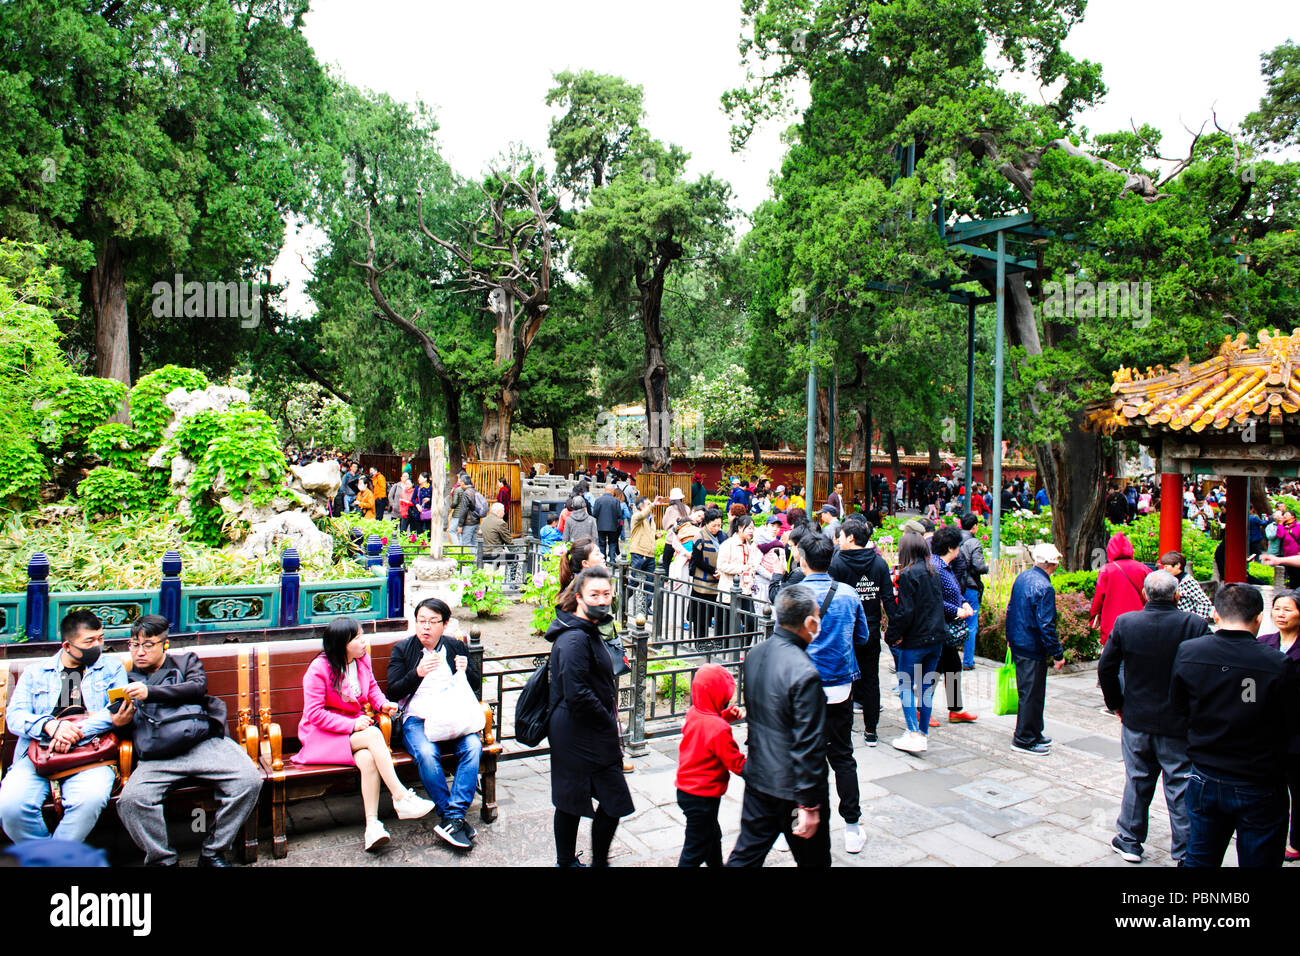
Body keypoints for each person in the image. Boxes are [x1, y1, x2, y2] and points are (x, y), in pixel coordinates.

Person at [115, 615, 263, 867]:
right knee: (131, 800)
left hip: (202, 742)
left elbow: (197, 688)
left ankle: (213, 851)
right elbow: (123, 727)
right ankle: (162, 859)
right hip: (157, 752)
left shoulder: (186, 662)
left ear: (165, 644)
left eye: (147, 645)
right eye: (133, 644)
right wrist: (120, 724)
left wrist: (151, 693)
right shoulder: (125, 679)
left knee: (249, 781)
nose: (139, 652)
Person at [1172, 584, 1296, 867]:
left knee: (1200, 857)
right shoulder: (1276, 663)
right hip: (1258, 778)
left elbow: (1178, 709)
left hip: (1205, 772)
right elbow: (1291, 722)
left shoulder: (1189, 651)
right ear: (1258, 618)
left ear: (1215, 613)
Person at [292, 617, 435, 851]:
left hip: (352, 731)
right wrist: (351, 725)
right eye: (357, 637)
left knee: (368, 759)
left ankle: (372, 827)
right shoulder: (319, 669)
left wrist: (383, 704)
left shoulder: (361, 659)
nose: (363, 641)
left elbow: (371, 689)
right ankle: (400, 796)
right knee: (373, 734)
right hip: (321, 736)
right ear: (342, 643)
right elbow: (315, 714)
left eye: (362, 635)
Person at [1097, 571, 1209, 865]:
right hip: (1178, 721)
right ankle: (1185, 851)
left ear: (1145, 595)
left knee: (1137, 780)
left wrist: (1116, 704)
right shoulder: (1194, 624)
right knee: (1181, 786)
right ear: (1177, 596)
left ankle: (1130, 841)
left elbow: (1106, 668)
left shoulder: (1126, 622)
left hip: (1136, 716)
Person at [0, 610, 132, 844]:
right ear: (67, 646)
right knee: (10, 807)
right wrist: (50, 725)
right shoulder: (35, 673)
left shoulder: (111, 668)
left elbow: (117, 711)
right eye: (89, 641)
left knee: (89, 800)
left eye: (101, 638)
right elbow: (15, 717)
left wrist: (72, 732)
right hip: (38, 754)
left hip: (92, 753)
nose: (98, 646)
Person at [725, 585, 829, 867]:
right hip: (794, 791)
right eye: (817, 617)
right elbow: (808, 743)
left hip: (760, 778)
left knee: (745, 856)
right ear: (809, 622)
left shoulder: (756, 653)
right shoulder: (805, 673)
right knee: (813, 859)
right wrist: (808, 803)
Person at [545, 567, 635, 866]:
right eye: (594, 594)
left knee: (586, 799)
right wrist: (607, 721)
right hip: (577, 730)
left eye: (606, 594)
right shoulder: (573, 639)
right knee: (602, 800)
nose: (602, 600)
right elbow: (577, 693)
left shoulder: (588, 629)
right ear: (580, 597)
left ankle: (578, 861)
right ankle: (573, 861)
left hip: (586, 726)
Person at [386, 598, 482, 850]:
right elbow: (393, 692)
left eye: (432, 622)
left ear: (445, 624)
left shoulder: (454, 647)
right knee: (427, 754)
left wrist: (466, 669)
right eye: (421, 621)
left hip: (452, 717)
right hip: (418, 719)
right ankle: (452, 817)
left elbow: (474, 685)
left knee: (473, 746)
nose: (425, 628)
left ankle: (454, 816)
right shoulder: (403, 650)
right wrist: (416, 673)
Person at [792, 532, 867, 852]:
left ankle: (795, 821)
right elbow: (862, 636)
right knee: (843, 755)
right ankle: (852, 828)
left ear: (803, 559)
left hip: (803, 686)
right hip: (839, 684)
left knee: (798, 754)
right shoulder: (849, 594)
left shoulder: (793, 594)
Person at [829, 516, 897, 747]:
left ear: (851, 537)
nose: (838, 540)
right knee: (871, 680)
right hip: (871, 628)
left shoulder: (837, 564)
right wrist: (894, 629)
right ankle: (871, 731)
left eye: (841, 536)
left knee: (845, 679)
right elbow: (888, 599)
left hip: (846, 630)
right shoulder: (879, 564)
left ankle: (844, 729)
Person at [675, 664, 746, 867]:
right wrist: (757, 771)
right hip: (702, 796)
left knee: (712, 836)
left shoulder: (694, 713)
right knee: (695, 849)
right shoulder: (719, 729)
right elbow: (736, 762)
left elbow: (708, 726)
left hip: (687, 791)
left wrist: (727, 716)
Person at [1004, 543, 1067, 756]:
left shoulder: (1024, 578)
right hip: (1031, 645)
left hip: (1021, 642)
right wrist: (1057, 653)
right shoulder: (1044, 587)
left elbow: (1011, 609)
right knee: (1031, 694)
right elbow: (1046, 624)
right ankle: (1024, 738)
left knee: (1032, 692)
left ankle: (1034, 732)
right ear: (1052, 564)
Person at [1259, 590, 1300, 861]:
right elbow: (1248, 686)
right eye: (1277, 609)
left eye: (1287, 609)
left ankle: (1296, 841)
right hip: (1266, 730)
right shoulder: (1263, 642)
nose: (1280, 614)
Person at [930, 526, 979, 725]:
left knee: (952, 667)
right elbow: (934, 598)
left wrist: (963, 602)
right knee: (934, 669)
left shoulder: (945, 566)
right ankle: (921, 710)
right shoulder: (936, 568)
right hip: (938, 627)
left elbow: (954, 591)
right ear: (951, 547)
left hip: (946, 628)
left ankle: (956, 709)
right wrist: (956, 610)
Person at [1089, 532, 1148, 646]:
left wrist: (1094, 617)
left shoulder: (1107, 570)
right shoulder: (1142, 568)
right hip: (1139, 620)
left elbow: (1099, 598)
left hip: (1112, 622)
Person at [716, 514, 761, 635]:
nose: (752, 531)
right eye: (749, 528)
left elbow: (751, 563)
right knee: (726, 624)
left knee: (751, 622)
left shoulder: (749, 545)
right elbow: (721, 565)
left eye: (753, 528)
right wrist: (740, 569)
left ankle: (744, 648)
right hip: (729, 588)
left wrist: (751, 570)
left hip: (746, 589)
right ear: (740, 528)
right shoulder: (728, 544)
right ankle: (724, 650)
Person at [689, 507, 726, 639]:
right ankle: (700, 642)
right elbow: (697, 559)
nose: (717, 528)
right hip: (702, 583)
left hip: (718, 583)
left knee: (717, 616)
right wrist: (713, 570)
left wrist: (721, 570)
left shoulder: (722, 536)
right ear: (706, 523)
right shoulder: (700, 536)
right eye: (714, 525)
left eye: (719, 525)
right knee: (700, 618)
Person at [957, 513, 988, 670]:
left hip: (955, 586)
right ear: (974, 527)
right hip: (969, 586)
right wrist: (988, 567)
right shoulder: (973, 542)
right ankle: (968, 661)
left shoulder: (955, 539)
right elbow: (979, 566)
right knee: (971, 623)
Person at [1157, 551, 1215, 622]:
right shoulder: (1172, 579)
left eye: (1166, 566)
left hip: (1186, 620)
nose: (1164, 569)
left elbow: (1205, 603)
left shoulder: (1187, 581)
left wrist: (1196, 622)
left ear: (1177, 565)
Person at [628, 495, 662, 614]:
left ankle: (646, 607)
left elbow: (647, 534)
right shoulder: (636, 517)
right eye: (648, 504)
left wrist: (655, 536)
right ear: (641, 506)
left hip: (650, 554)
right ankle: (623, 600)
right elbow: (641, 515)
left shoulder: (650, 519)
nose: (650, 506)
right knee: (634, 581)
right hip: (638, 553)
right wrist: (653, 505)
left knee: (650, 582)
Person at [592, 486, 623, 564]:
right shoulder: (616, 501)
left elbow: (594, 514)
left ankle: (603, 559)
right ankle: (612, 559)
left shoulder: (598, 500)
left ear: (605, 491)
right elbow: (619, 514)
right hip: (613, 525)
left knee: (602, 543)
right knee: (612, 542)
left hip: (601, 526)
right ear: (612, 491)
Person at [449, 475, 481, 548]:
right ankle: (465, 550)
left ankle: (457, 548)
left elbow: (456, 503)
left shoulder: (458, 490)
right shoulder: (473, 490)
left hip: (458, 514)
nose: (459, 481)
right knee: (465, 535)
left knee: (452, 531)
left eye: (459, 479)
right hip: (470, 517)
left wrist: (451, 507)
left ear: (463, 482)